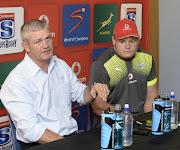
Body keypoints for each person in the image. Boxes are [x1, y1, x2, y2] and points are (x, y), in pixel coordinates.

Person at [0, 19, 109, 148]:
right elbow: (31, 129)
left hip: (69, 138)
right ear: (26, 46)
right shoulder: (16, 81)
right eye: (38, 42)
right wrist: (67, 145)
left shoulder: (60, 65)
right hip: (40, 144)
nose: (46, 45)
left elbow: (81, 94)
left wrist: (93, 89)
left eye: (48, 38)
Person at [89, 18, 159, 128]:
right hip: (111, 121)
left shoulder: (147, 59)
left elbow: (151, 96)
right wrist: (124, 117)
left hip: (139, 121)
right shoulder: (101, 64)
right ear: (113, 40)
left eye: (132, 41)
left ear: (138, 40)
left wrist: (148, 123)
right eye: (122, 41)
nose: (127, 46)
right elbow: (98, 106)